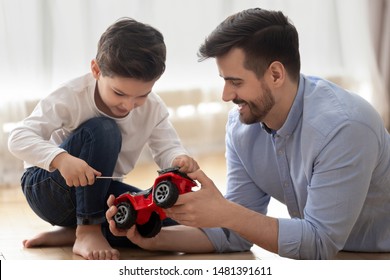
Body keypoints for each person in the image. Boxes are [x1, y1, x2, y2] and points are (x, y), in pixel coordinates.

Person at [106, 8, 390, 259]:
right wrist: (149, 239)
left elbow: (318, 243)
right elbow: (235, 234)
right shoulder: (242, 128)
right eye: (224, 81)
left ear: (276, 75)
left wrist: (225, 212)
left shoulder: (344, 128)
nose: (226, 95)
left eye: (236, 82)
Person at [8, 18, 199, 260]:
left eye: (142, 95)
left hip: (99, 196)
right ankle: (87, 228)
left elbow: (167, 148)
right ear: (96, 70)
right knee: (104, 129)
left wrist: (178, 158)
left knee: (161, 218)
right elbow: (19, 137)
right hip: (48, 190)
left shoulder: (153, 109)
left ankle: (75, 231)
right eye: (119, 93)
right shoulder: (71, 96)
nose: (129, 105)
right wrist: (61, 159)